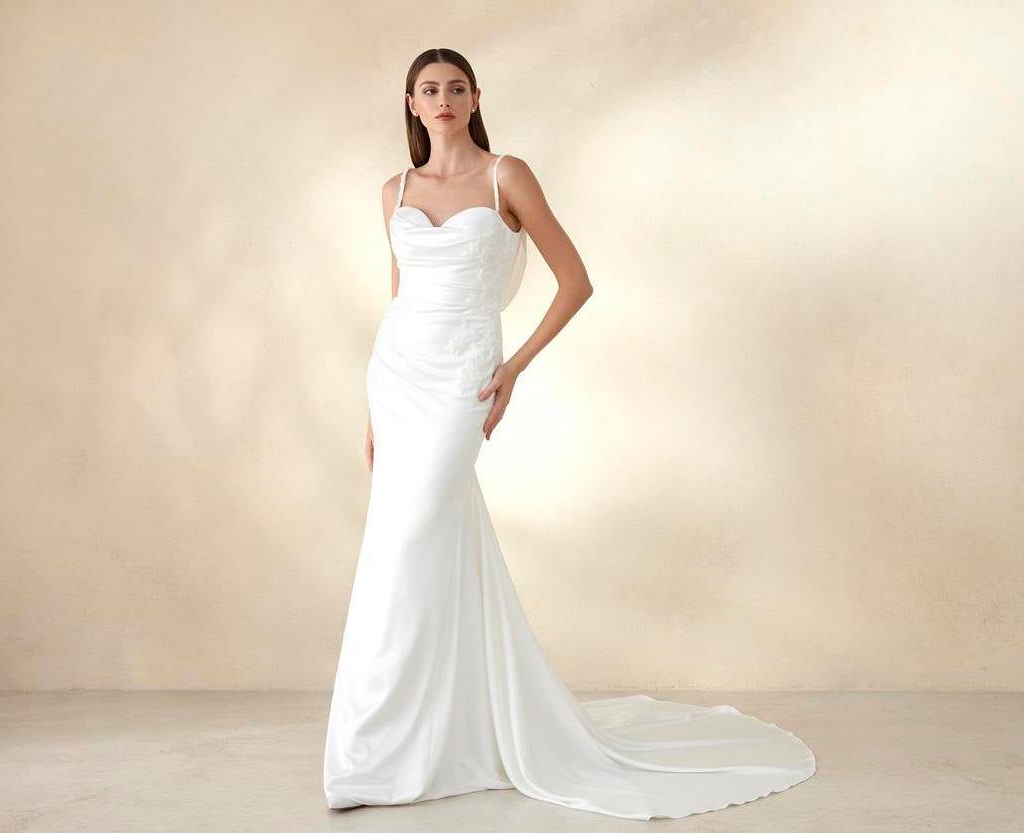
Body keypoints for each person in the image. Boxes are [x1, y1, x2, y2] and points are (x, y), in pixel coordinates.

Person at [323, 47, 816, 821]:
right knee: (402, 542)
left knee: (413, 538)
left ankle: (388, 749)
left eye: (456, 87)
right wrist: (370, 403)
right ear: (411, 103)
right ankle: (419, 741)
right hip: (397, 375)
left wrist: (512, 367)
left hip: (462, 374)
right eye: (428, 89)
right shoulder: (395, 191)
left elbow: (575, 281)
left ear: (475, 98)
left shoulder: (506, 176)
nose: (443, 98)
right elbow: (401, 291)